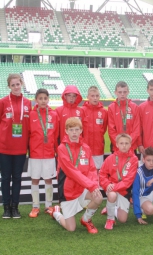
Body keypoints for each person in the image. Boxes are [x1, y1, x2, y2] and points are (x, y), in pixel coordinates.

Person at [51, 117, 102, 233]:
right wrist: (91, 185)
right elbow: (71, 172)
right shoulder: (62, 148)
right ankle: (56, 213)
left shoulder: (86, 148)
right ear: (66, 131)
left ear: (81, 131)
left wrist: (94, 185)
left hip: (82, 189)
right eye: (71, 130)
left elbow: (92, 169)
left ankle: (86, 219)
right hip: (67, 192)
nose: (74, 133)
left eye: (77, 130)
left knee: (98, 197)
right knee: (71, 229)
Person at [0, 74, 31, 219]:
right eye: (13, 85)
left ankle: (15, 207)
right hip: (4, 147)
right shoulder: (3, 102)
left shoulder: (28, 103)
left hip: (20, 148)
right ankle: (6, 207)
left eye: (18, 84)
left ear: (22, 84)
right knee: (6, 178)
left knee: (17, 177)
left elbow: (30, 126)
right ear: (9, 87)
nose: (16, 87)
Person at [28, 89, 59, 218]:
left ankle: (48, 205)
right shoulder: (31, 114)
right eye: (40, 98)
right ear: (36, 100)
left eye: (45, 98)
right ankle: (35, 206)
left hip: (49, 154)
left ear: (48, 99)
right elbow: (28, 133)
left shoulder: (54, 115)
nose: (42, 101)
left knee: (48, 180)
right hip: (35, 154)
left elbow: (56, 134)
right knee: (34, 179)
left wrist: (56, 151)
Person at [99, 133, 138, 230]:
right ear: (117, 144)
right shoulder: (111, 158)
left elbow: (128, 181)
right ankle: (110, 219)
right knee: (112, 195)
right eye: (121, 143)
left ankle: (110, 209)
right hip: (112, 189)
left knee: (123, 220)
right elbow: (102, 174)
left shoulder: (134, 159)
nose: (124, 146)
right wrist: (107, 184)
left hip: (124, 191)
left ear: (130, 144)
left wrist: (113, 186)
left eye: (126, 143)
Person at [108, 81, 140, 152]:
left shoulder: (134, 107)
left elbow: (136, 129)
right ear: (115, 92)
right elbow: (111, 130)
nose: (122, 94)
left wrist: (127, 143)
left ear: (128, 92)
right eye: (120, 92)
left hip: (131, 146)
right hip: (117, 147)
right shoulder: (111, 108)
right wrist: (120, 144)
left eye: (124, 92)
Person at [82, 86, 108, 170]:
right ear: (88, 97)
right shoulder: (82, 111)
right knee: (85, 170)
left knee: (97, 170)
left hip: (98, 148)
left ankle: (97, 184)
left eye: (97, 96)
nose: (95, 98)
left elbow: (103, 129)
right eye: (92, 96)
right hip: (84, 148)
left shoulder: (104, 112)